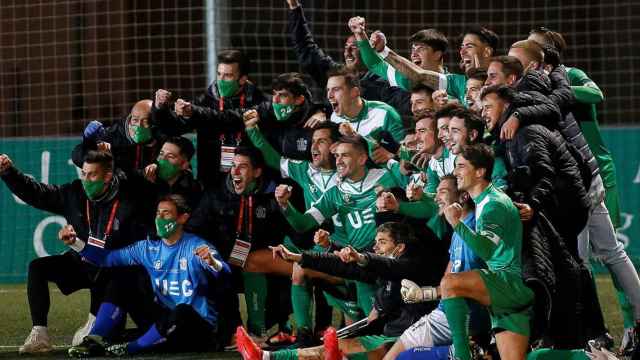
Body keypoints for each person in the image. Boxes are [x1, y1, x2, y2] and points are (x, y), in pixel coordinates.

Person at [529, 28, 640, 356]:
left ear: (546, 51)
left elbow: (597, 95)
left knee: (606, 252)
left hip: (594, 173)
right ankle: (598, 330)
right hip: (567, 178)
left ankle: (627, 325)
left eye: (533, 43)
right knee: (586, 256)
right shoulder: (535, 83)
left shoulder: (569, 75)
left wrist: (556, 87)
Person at [0, 150, 151, 354]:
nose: (86, 180)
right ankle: (39, 334)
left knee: (108, 274)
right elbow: (38, 194)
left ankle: (95, 321)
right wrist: (9, 173)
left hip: (114, 271)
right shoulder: (74, 193)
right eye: (83, 174)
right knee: (38, 267)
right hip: (81, 260)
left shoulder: (129, 200)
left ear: (108, 177)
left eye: (92, 175)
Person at [237, 221, 446, 360]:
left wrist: (363, 259)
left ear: (399, 247)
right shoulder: (384, 266)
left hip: (407, 340)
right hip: (389, 335)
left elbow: (387, 267)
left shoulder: (412, 264)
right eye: (375, 242)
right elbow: (341, 266)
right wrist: (298, 257)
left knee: (341, 348)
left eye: (382, 242)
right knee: (335, 346)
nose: (375, 247)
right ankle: (266, 356)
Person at [66, 194, 230, 357]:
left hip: (195, 328)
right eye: (158, 213)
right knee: (122, 278)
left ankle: (131, 348)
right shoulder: (147, 248)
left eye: (166, 213)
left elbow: (225, 273)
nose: (160, 218)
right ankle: (95, 339)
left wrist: (212, 262)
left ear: (183, 218)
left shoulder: (196, 246)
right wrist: (75, 243)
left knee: (181, 311)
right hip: (162, 322)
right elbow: (107, 259)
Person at [274, 135, 405, 318]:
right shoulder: (334, 194)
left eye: (345, 156)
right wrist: (285, 205)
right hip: (362, 261)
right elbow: (302, 224)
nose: (339, 161)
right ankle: (309, 334)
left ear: (362, 159)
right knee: (369, 314)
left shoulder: (386, 178)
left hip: (395, 257)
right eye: (336, 156)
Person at [186, 146, 294, 344]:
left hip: (260, 263)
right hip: (224, 261)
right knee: (215, 274)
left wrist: (286, 208)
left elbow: (291, 232)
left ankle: (269, 326)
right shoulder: (215, 195)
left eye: (242, 167)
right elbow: (193, 229)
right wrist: (207, 251)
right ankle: (232, 331)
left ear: (257, 172)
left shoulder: (272, 196)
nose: (234, 171)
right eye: (233, 166)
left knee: (281, 274)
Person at [440, 144, 533, 360]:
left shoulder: (493, 204)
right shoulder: (487, 200)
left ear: (480, 171)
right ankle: (586, 357)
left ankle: (462, 356)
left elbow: (487, 250)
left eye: (461, 166)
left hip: (507, 283)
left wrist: (457, 224)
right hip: (508, 288)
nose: (456, 172)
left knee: (450, 283)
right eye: (455, 166)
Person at [383, 175, 489, 360]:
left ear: (463, 197)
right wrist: (424, 293)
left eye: (443, 192)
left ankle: (459, 353)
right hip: (445, 311)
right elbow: (449, 277)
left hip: (465, 315)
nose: (436, 197)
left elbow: (473, 282)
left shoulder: (476, 228)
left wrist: (427, 294)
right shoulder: (457, 232)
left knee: (399, 358)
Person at [153, 49, 268, 187]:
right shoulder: (205, 100)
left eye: (228, 76)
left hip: (250, 181)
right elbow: (172, 128)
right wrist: (160, 108)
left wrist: (194, 113)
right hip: (212, 182)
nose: (221, 80)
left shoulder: (260, 102)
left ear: (243, 79)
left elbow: (229, 119)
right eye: (219, 74)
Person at [284, 0, 411, 116]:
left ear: (367, 50)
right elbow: (307, 49)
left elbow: (407, 104)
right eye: (346, 47)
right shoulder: (336, 75)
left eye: (354, 48)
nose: (347, 53)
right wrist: (295, 8)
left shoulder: (384, 82)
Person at [72, 100, 162, 175]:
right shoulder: (114, 135)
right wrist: (88, 142)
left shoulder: (161, 137)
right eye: (135, 120)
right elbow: (78, 158)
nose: (139, 125)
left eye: (145, 121)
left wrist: (157, 167)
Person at [327, 67, 406, 146]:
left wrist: (355, 136)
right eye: (328, 90)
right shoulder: (335, 118)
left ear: (355, 92)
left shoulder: (384, 113)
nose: (329, 95)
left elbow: (401, 151)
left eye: (336, 89)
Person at [142, 136, 202, 210]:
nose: (163, 160)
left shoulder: (193, 189)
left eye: (170, 157)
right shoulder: (149, 177)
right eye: (161, 154)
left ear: (184, 165)